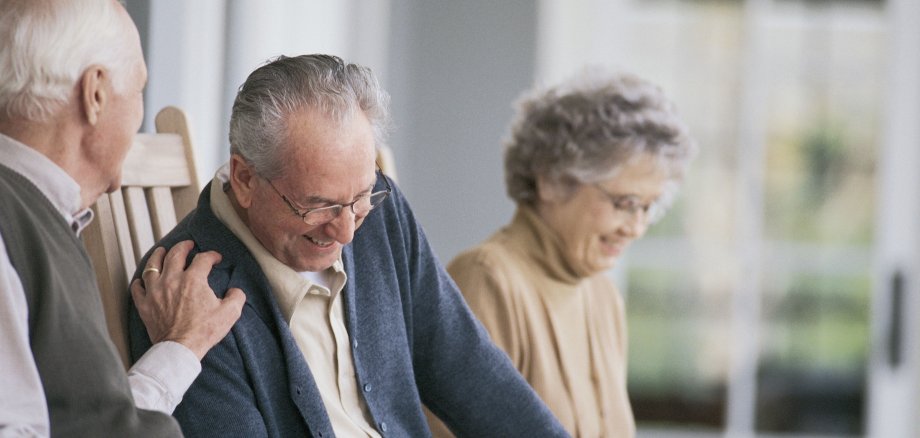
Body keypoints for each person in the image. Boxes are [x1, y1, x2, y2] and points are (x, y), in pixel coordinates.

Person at [127, 54, 568, 437]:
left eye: (361, 197)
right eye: (319, 206)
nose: (346, 233)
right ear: (244, 179)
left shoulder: (380, 216)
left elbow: (468, 368)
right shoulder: (187, 300)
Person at [0, 0, 245, 436]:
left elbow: (88, 423)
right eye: (138, 90)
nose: (139, 117)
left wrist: (180, 347)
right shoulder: (13, 227)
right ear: (94, 93)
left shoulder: (42, 214)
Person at [440, 70, 697, 437]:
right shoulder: (487, 278)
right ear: (552, 180)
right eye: (624, 203)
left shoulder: (604, 297)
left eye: (648, 207)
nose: (636, 228)